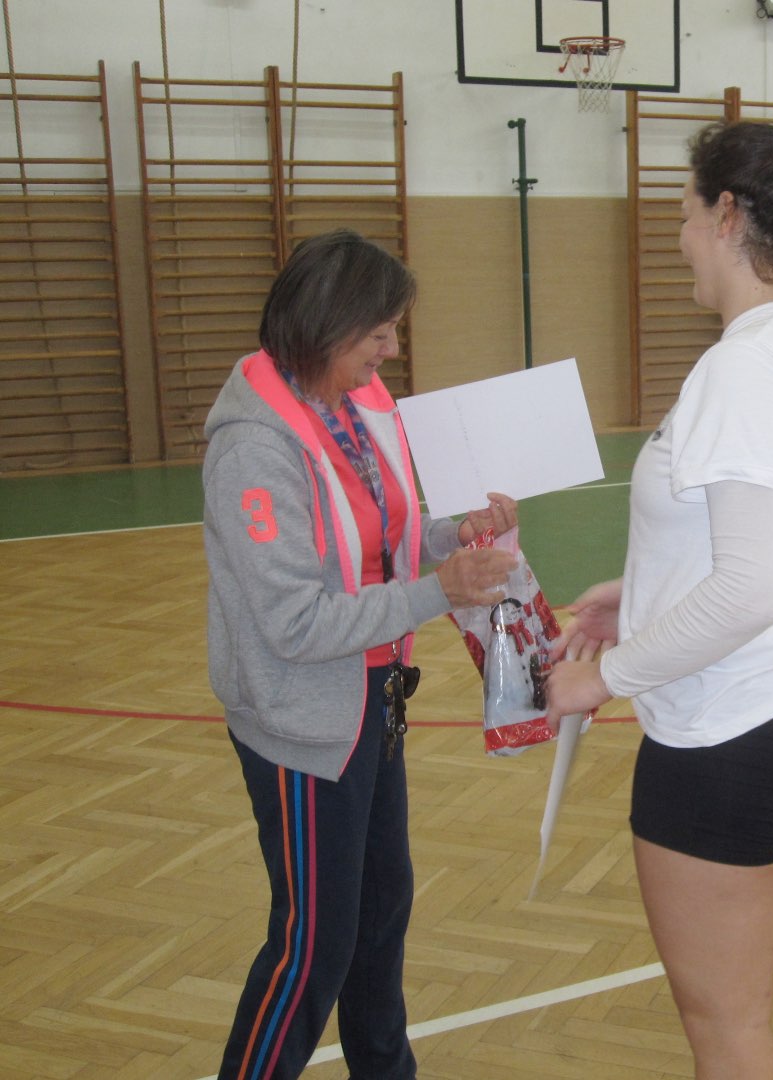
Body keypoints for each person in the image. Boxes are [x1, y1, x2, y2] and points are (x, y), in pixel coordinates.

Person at [541, 121, 773, 1080]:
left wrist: (607, 677)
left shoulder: (747, 364)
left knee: (725, 1020)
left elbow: (750, 585)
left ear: (727, 217)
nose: (679, 239)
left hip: (733, 731)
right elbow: (761, 540)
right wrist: (640, 594)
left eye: (684, 216)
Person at [203, 228, 519, 1079]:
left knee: (380, 914)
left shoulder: (351, 401)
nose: (392, 350)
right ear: (327, 327)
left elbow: (383, 535)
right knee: (313, 947)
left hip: (373, 703)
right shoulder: (253, 448)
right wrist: (441, 589)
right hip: (304, 724)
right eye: (379, 333)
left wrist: (455, 534)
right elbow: (295, 624)